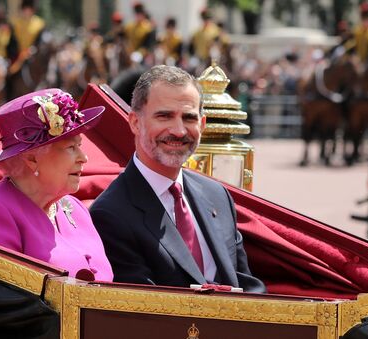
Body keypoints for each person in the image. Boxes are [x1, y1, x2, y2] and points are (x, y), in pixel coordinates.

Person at [90, 65, 266, 292]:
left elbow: (246, 285)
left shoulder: (217, 195)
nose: (179, 130)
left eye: (189, 118)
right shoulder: (111, 214)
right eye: (164, 116)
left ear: (202, 125)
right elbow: (142, 313)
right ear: (134, 122)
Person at [0, 88, 113, 281]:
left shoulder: (75, 208)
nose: (83, 158)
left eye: (80, 146)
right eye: (71, 148)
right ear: (32, 158)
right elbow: (4, 302)